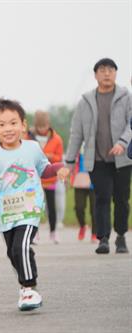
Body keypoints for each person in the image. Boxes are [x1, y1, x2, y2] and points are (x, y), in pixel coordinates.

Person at [0, 99, 69, 311]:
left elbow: (45, 169)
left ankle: (29, 288)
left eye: (13, 123)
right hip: (6, 213)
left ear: (24, 125)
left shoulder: (32, 148)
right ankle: (26, 284)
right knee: (13, 252)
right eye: (2, 124)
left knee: (21, 246)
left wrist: (59, 167)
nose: (8, 129)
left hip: (30, 209)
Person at [65, 58, 132, 254]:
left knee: (121, 199)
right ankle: (103, 238)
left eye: (111, 70)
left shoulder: (126, 97)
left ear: (116, 73)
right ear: (95, 75)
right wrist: (69, 163)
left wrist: (122, 142)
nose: (107, 73)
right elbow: (76, 133)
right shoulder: (85, 101)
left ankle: (120, 236)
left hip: (123, 160)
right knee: (101, 198)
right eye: (102, 70)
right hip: (97, 159)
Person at [31, 111, 64, 243]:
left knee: (51, 207)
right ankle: (34, 233)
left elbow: (59, 158)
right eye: (39, 127)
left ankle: (53, 232)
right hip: (34, 179)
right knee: (34, 207)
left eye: (44, 126)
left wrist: (51, 156)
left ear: (49, 125)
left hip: (50, 178)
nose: (42, 129)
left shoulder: (57, 139)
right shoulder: (29, 137)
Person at [71, 151, 97, 242]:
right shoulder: (78, 144)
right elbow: (71, 160)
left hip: (94, 180)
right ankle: (82, 225)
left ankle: (94, 232)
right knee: (79, 207)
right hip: (80, 179)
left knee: (94, 209)